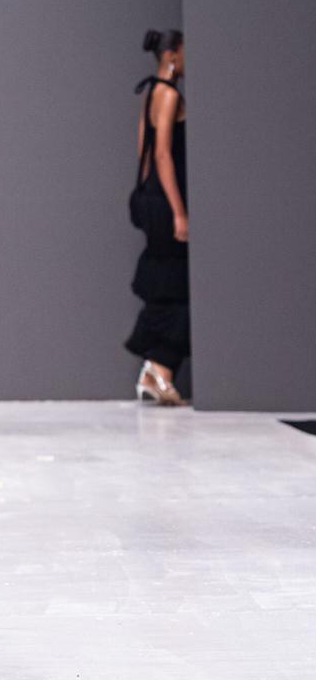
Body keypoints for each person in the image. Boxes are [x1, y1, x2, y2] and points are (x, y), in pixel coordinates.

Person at [124, 28, 190, 406]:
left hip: (152, 198)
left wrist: (145, 195)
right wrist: (178, 211)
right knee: (176, 286)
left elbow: (144, 153)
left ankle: (156, 370)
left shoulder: (151, 91)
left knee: (166, 284)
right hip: (166, 201)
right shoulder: (169, 94)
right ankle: (160, 369)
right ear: (171, 56)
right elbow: (162, 153)